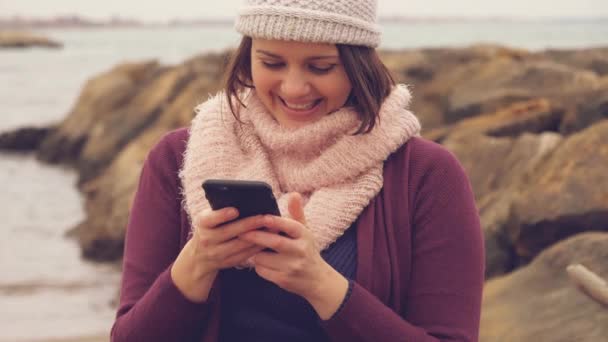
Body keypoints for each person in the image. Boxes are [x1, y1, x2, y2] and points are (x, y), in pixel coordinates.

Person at [110, 0, 485, 341]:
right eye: (271, 63)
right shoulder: (177, 157)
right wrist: (198, 262)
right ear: (248, 56)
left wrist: (319, 284)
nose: (294, 88)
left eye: (321, 67)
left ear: (359, 63)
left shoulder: (426, 175)